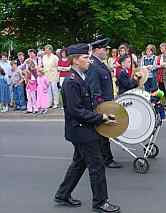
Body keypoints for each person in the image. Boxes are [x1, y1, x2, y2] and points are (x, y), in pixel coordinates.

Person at [54, 43, 120, 213]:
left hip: (84, 129)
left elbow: (88, 104)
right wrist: (101, 118)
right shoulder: (71, 82)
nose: (89, 61)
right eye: (85, 57)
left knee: (79, 163)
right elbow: (76, 111)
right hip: (81, 131)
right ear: (75, 60)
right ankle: (100, 203)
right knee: (97, 166)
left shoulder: (81, 77)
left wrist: (102, 114)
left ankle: (62, 195)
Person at [86, 38, 122, 169]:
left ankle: (101, 158)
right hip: (101, 105)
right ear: (96, 50)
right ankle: (106, 159)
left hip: (106, 103)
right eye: (104, 49)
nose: (106, 51)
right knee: (103, 133)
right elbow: (95, 90)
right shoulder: (93, 65)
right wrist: (101, 108)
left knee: (102, 133)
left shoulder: (99, 63)